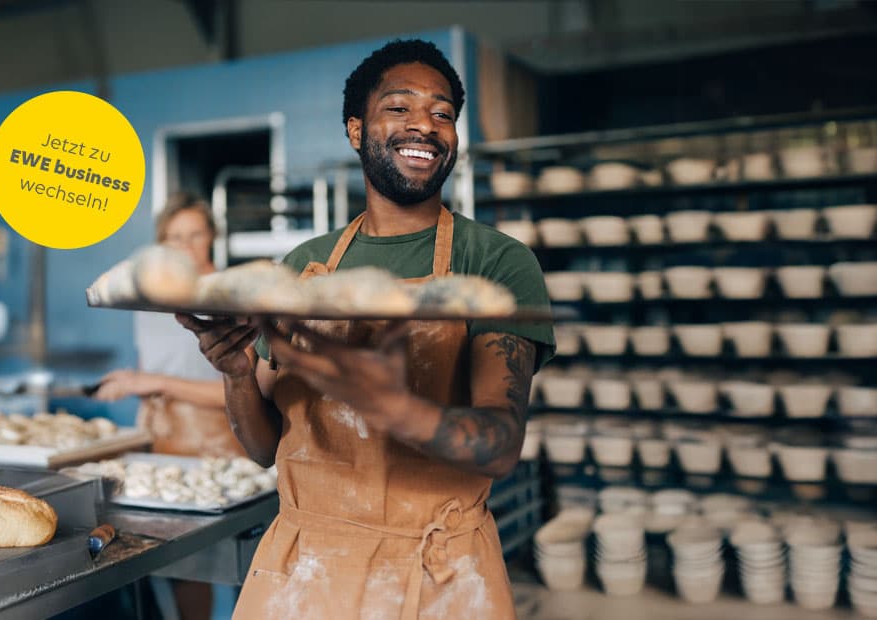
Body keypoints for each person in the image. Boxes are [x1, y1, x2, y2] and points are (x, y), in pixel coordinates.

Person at [177, 39, 554, 619]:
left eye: (443, 113)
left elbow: (499, 445)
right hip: (302, 569)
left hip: (439, 573)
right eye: (399, 108)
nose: (425, 126)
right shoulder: (304, 267)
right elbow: (262, 449)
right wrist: (235, 375)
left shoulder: (495, 263)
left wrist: (387, 401)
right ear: (356, 130)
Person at [95, 193, 243, 620]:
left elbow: (239, 391)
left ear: (212, 236)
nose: (186, 246)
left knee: (232, 566)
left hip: (224, 451)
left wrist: (155, 382)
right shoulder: (147, 303)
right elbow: (152, 375)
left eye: (195, 234)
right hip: (163, 447)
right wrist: (130, 382)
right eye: (174, 238)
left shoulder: (233, 298)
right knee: (182, 569)